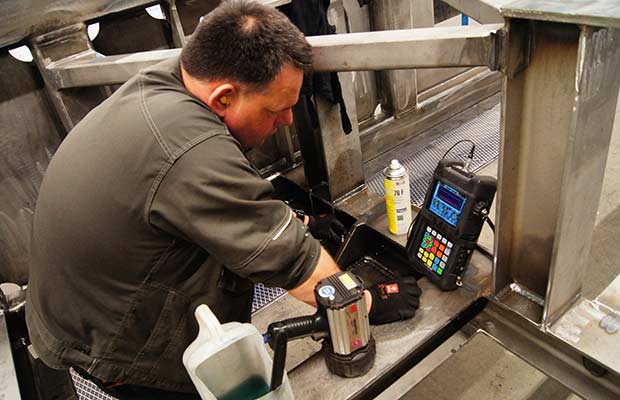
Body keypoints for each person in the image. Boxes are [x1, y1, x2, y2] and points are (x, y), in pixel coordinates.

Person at [26, 1, 421, 398]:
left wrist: (302, 223)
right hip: (115, 342)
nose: (287, 120)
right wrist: (366, 303)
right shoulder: (190, 147)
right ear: (224, 98)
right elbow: (293, 262)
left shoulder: (170, 82)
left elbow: (215, 201)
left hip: (77, 302)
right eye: (277, 109)